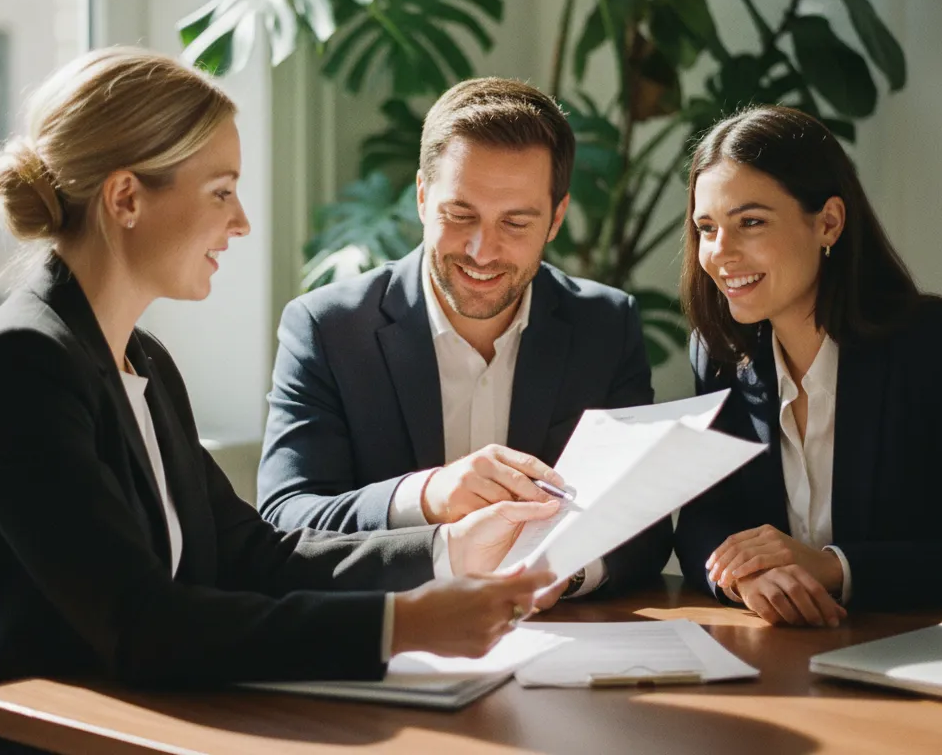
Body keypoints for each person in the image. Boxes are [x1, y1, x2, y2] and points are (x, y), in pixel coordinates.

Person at [0, 48, 559, 754]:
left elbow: (248, 556)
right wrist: (403, 624)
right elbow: (142, 624)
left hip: (141, 725)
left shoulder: (143, 361)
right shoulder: (17, 366)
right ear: (126, 199)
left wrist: (447, 549)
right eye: (222, 191)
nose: (242, 224)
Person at [258, 77, 672, 599]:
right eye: (460, 215)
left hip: (561, 640)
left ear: (556, 218)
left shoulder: (606, 325)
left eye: (516, 223)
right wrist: (427, 494)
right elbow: (285, 519)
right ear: (422, 196)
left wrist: (556, 573)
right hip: (390, 637)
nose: (482, 250)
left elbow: (644, 523)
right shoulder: (328, 329)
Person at [674, 104, 942, 626]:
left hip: (915, 656)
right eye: (706, 228)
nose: (721, 252)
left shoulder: (932, 344)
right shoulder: (718, 355)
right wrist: (745, 575)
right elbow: (701, 520)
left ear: (828, 222)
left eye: (750, 222)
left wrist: (833, 568)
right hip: (784, 655)